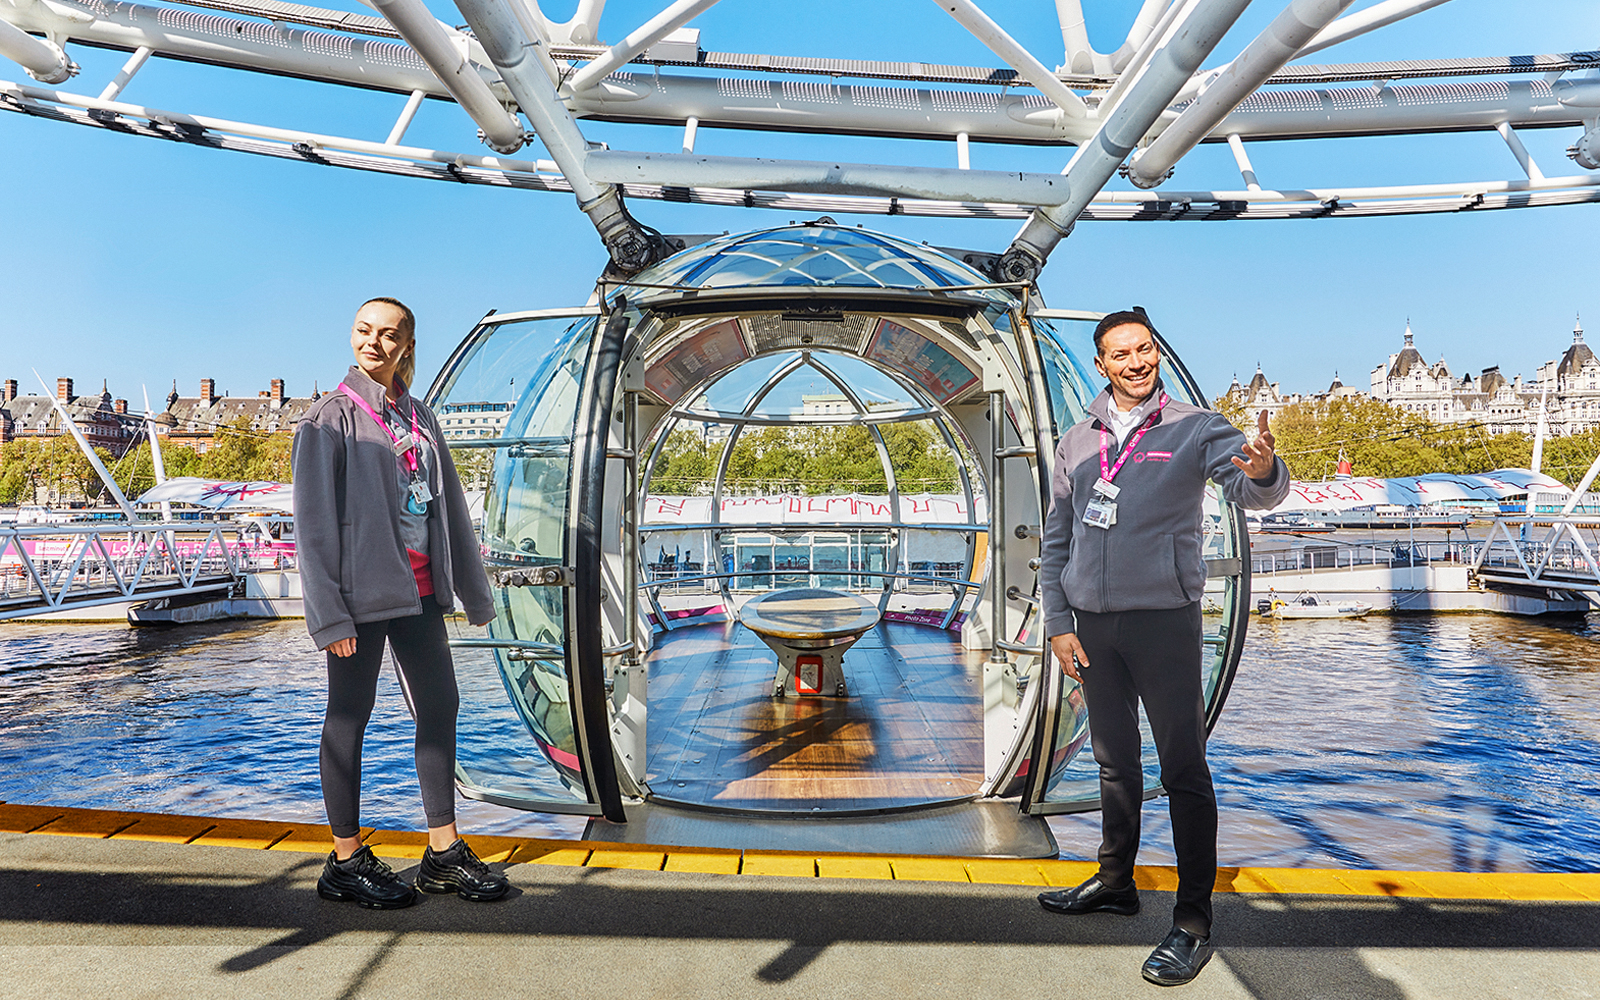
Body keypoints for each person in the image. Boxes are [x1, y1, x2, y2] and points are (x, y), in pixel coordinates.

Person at [1034, 310, 1290, 986]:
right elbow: (1058, 537)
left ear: (1157, 355)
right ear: (1101, 364)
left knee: (1182, 771)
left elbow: (1250, 487)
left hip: (1165, 624)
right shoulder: (1075, 443)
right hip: (1091, 627)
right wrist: (1059, 621)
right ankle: (1116, 883)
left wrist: (1265, 470)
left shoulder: (1195, 427)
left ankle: (1193, 924)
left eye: (1143, 349)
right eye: (1120, 353)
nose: (1134, 361)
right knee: (1114, 764)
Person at [292, 297, 506, 909]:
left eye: (389, 335)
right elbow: (312, 527)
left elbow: (450, 511)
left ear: (406, 345)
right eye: (364, 331)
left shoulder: (420, 417)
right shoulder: (327, 419)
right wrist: (328, 614)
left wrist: (469, 589)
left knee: (440, 707)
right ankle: (345, 857)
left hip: (419, 594)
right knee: (348, 718)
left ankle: (442, 852)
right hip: (359, 602)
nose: (374, 343)